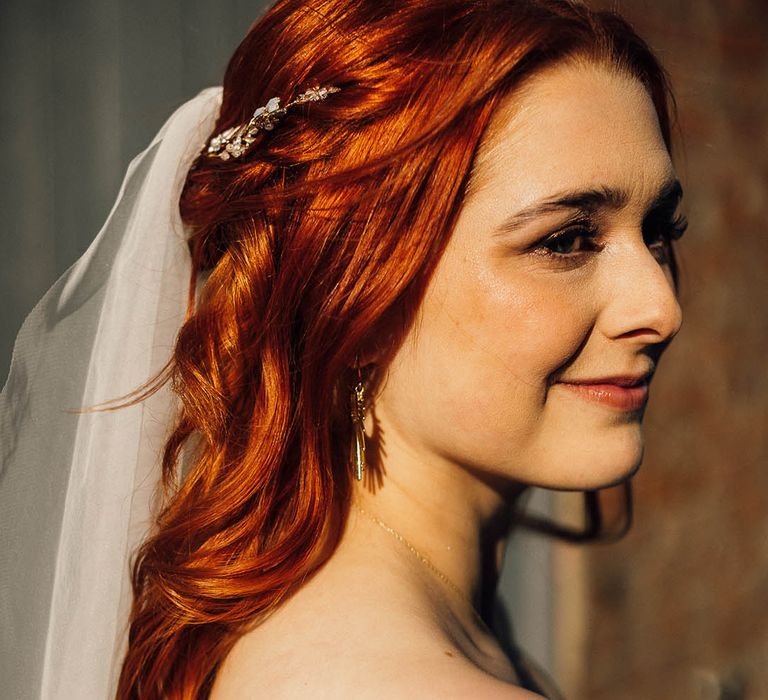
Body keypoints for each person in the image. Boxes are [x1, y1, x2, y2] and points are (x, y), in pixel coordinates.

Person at [0, 0, 687, 698]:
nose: (660, 307)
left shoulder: (402, 621)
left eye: (661, 227)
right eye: (566, 240)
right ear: (352, 287)